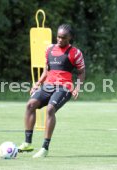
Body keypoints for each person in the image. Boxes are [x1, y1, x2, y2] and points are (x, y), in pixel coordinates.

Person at [18, 24, 85, 158]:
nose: (60, 40)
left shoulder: (75, 53)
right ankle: (27, 143)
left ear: (70, 38)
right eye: (58, 37)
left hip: (64, 87)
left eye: (63, 38)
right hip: (48, 85)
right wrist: (37, 84)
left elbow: (81, 72)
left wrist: (77, 87)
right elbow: (46, 71)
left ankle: (45, 148)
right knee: (30, 105)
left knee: (50, 109)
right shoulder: (49, 49)